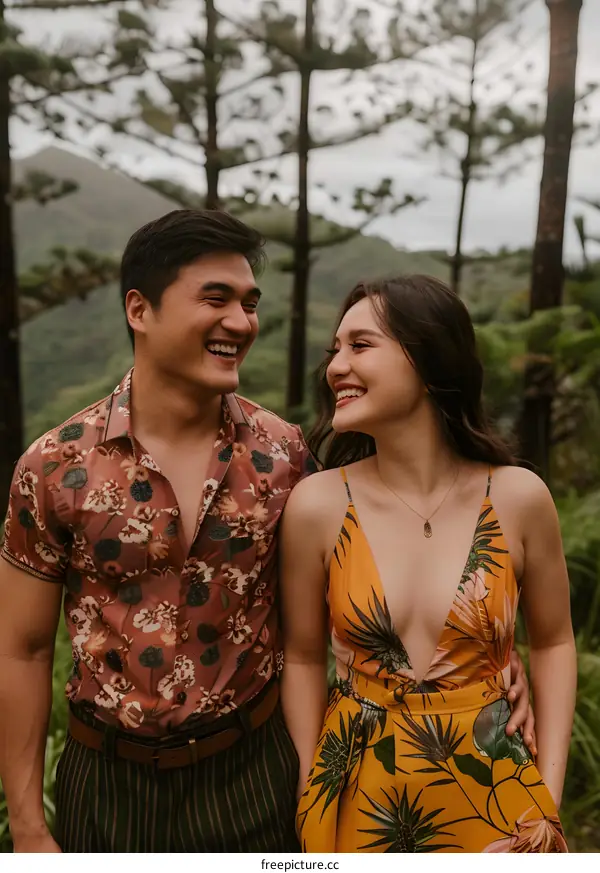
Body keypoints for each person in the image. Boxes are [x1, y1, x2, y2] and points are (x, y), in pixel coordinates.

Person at [0, 213, 532, 854]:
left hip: (257, 775)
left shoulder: (285, 455)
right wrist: (28, 826)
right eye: (215, 299)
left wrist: (491, 652)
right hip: (108, 785)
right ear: (139, 309)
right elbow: (22, 649)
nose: (242, 322)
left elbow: (381, 563)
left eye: (250, 303)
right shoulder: (55, 465)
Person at [280, 275, 576, 853]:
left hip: (499, 793)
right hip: (355, 793)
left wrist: (550, 793)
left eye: (360, 346)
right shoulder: (316, 504)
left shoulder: (518, 497)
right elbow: (303, 656)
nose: (336, 367)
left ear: (429, 356)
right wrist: (307, 789)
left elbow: (556, 641)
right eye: (333, 350)